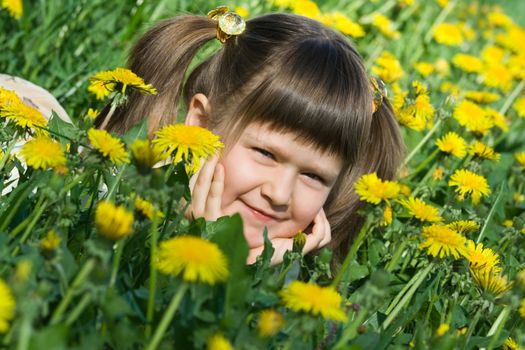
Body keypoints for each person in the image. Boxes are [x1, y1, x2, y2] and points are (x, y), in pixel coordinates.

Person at [98, 8, 405, 265]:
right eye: (266, 154)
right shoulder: (112, 208)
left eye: (313, 175)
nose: (280, 194)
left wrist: (247, 274)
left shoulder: (296, 281)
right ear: (200, 124)